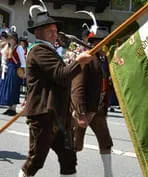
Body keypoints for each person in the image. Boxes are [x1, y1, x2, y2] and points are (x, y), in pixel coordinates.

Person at [18, 5, 94, 177]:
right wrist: (79, 62)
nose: (55, 34)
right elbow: (61, 76)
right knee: (36, 160)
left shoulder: (49, 50)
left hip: (59, 115)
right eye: (50, 31)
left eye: (55, 30)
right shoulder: (39, 51)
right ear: (38, 32)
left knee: (68, 158)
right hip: (44, 115)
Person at [70, 28, 114, 177]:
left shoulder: (104, 59)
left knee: (105, 141)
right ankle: (70, 173)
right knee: (75, 143)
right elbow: (77, 86)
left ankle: (108, 174)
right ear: (97, 43)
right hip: (84, 108)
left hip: (98, 108)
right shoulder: (87, 58)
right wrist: (80, 111)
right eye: (105, 43)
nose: (107, 47)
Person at [0, 27, 26, 116]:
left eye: (10, 38)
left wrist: (22, 70)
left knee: (13, 88)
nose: (8, 40)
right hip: (8, 68)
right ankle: (9, 107)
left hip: (15, 69)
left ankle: (13, 108)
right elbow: (4, 57)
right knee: (7, 88)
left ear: (14, 39)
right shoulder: (7, 47)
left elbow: (22, 61)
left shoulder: (18, 48)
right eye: (8, 38)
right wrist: (4, 65)